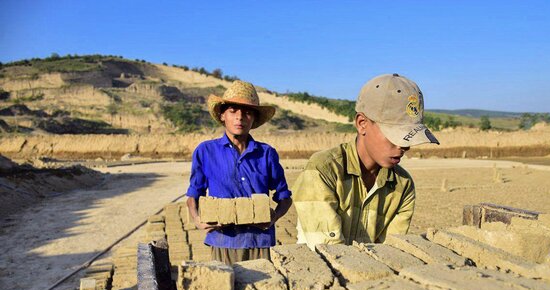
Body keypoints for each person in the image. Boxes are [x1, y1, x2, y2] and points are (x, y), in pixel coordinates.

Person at [292, 73, 439, 250]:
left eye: (408, 138)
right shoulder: (323, 171)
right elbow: (329, 253)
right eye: (395, 136)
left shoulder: (403, 185)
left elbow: (391, 252)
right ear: (362, 124)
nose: (404, 147)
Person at [186, 80, 292, 264]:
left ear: (254, 119)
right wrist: (197, 220)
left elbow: (285, 197)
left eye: (247, 112)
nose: (240, 117)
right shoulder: (206, 151)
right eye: (233, 111)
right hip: (223, 241)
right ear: (222, 116)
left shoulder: (266, 153)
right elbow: (193, 195)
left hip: (260, 242)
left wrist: (273, 218)